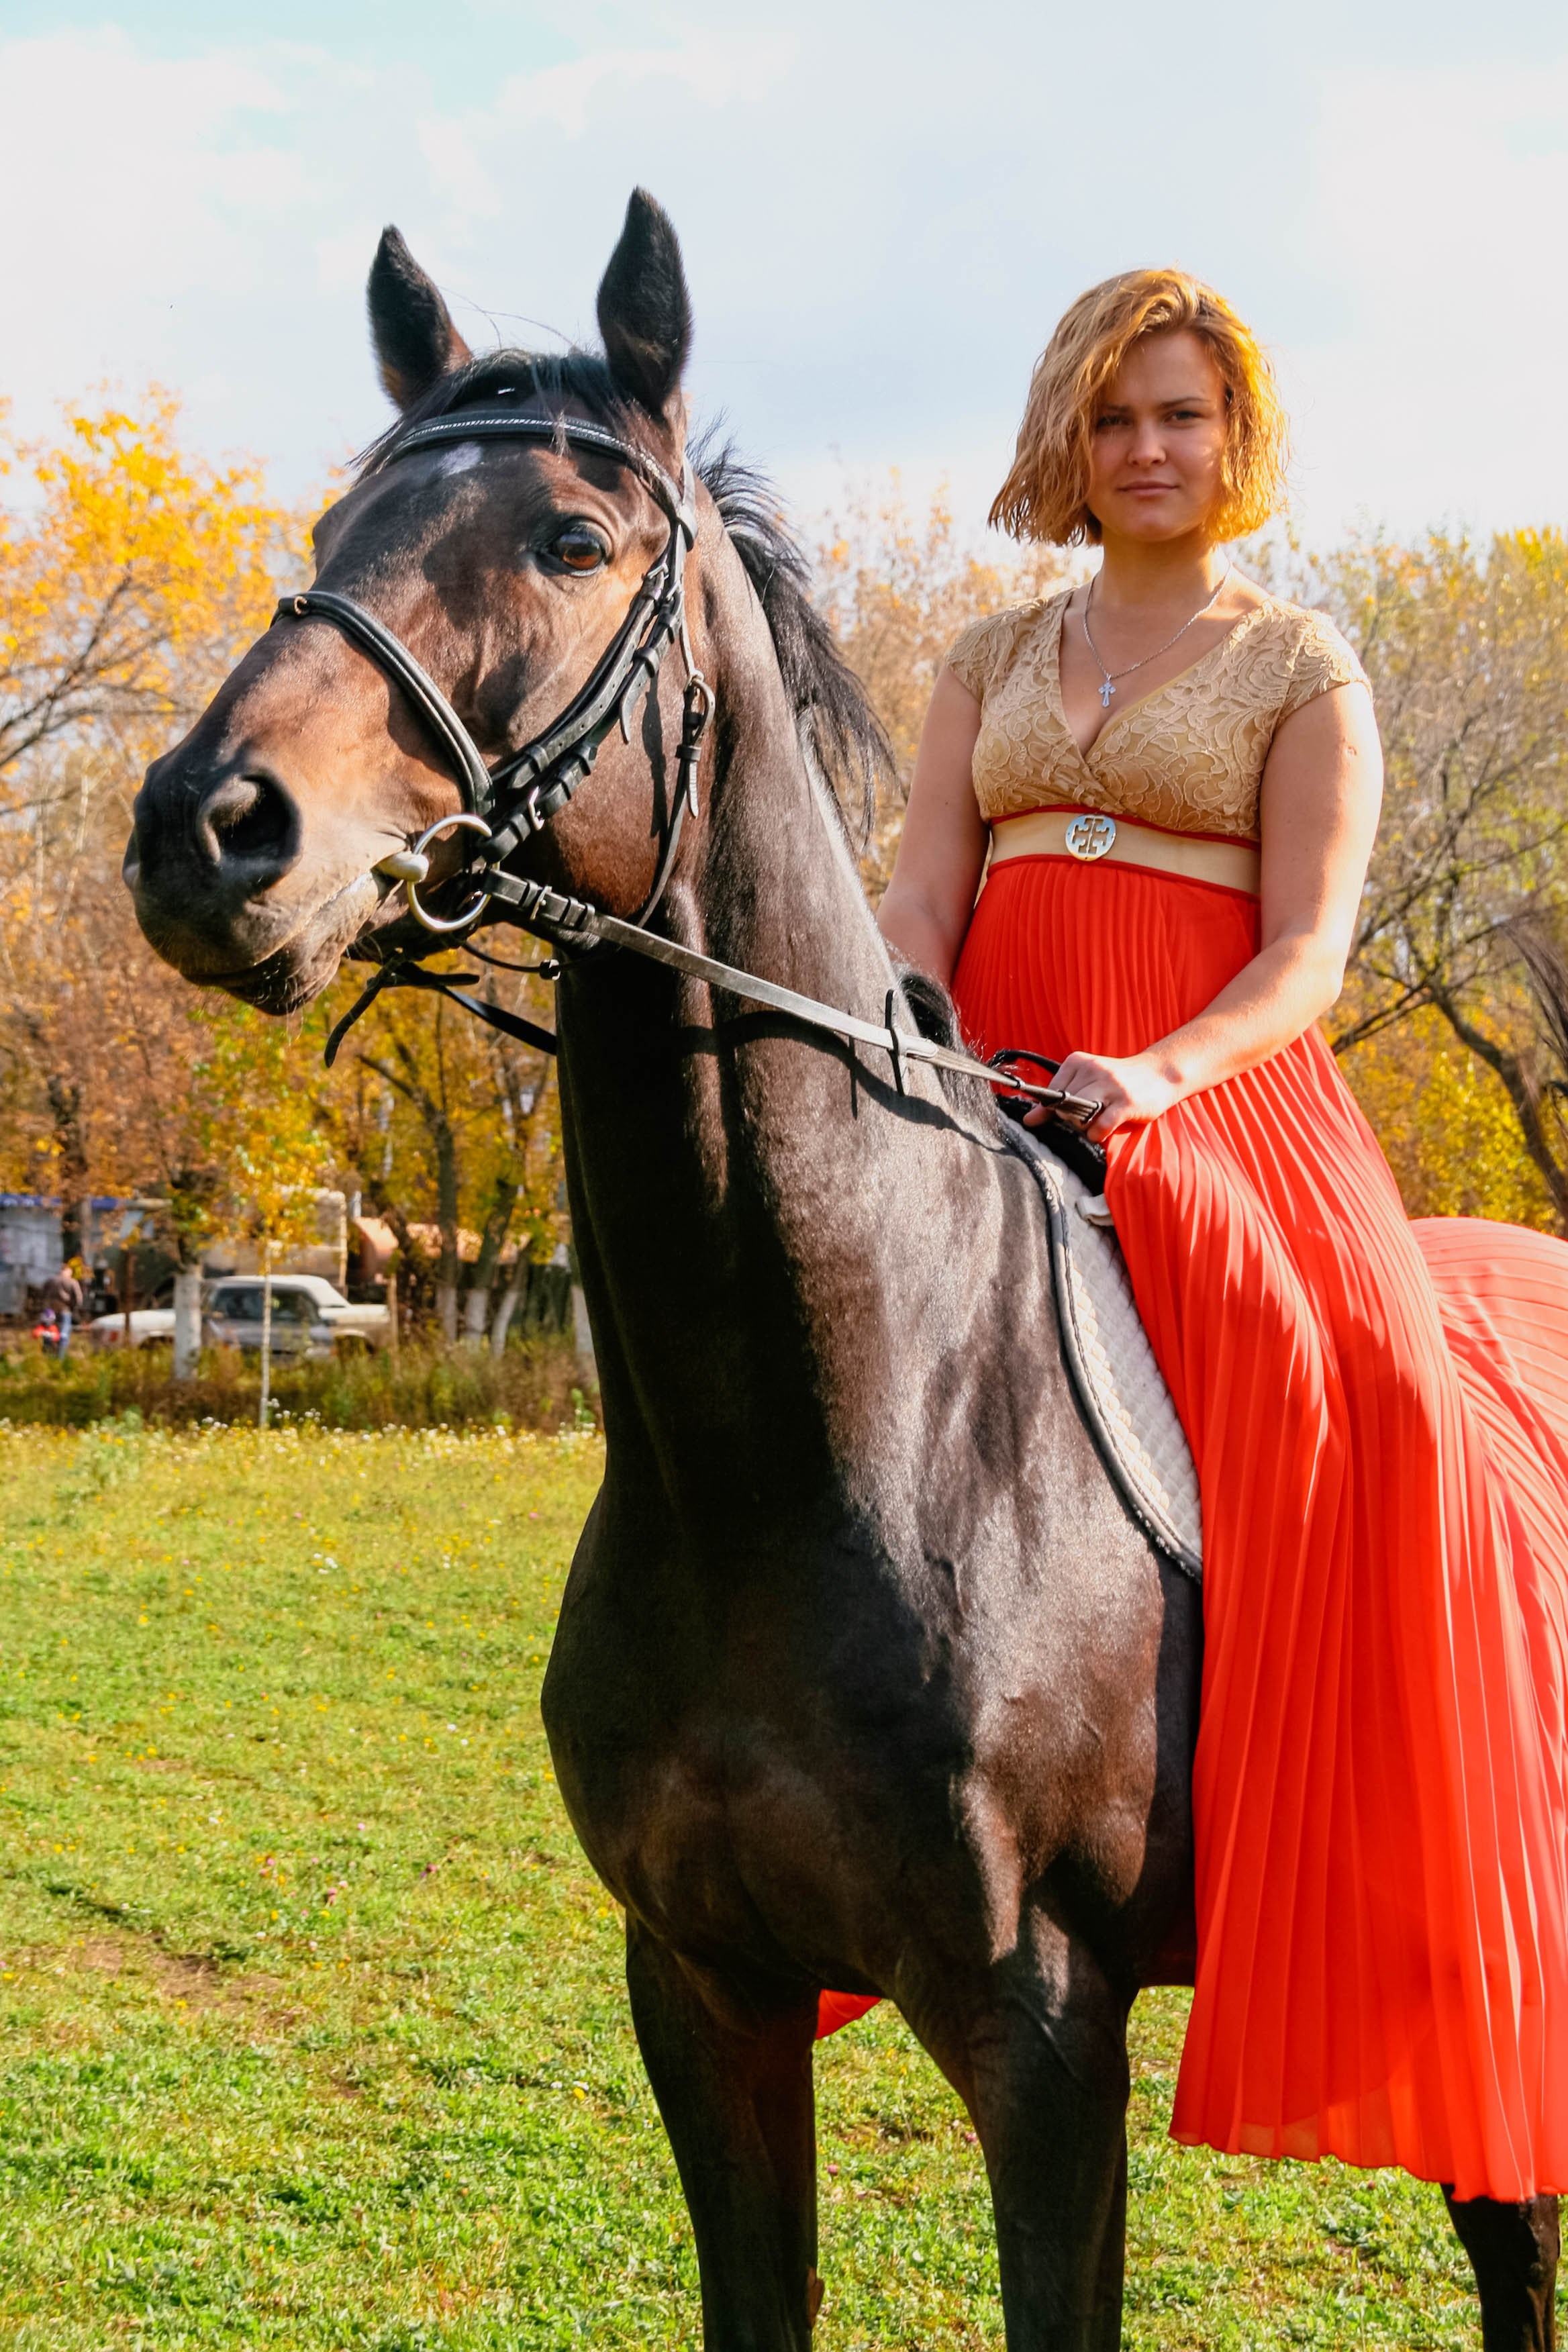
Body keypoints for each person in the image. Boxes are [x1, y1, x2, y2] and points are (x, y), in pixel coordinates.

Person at [875, 268, 1568, 2207]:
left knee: (1367, 1388)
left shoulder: (1300, 662)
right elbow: (921, 889)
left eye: (1180, 413)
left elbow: (1309, 952)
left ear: (1234, 434)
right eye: (1116, 418)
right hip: (987, 1085)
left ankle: (1390, 1843)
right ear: (1069, 444)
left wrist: (1158, 1077)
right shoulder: (986, 658)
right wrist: (926, 1043)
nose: (1149, 448)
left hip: (1220, 1104)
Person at [38, 1260, 85, 1360]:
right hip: (65, 1310)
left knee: (48, 1334)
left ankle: (46, 1358)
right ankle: (60, 1359)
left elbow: (42, 1293)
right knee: (63, 1335)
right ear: (69, 1272)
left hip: (50, 1312)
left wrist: (45, 1306)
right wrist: (73, 1307)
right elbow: (78, 1299)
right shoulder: (72, 1282)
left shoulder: (51, 1281)